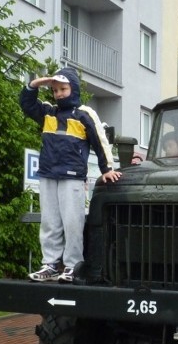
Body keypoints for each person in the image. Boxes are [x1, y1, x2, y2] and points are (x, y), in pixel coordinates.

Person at [20, 67, 122, 282]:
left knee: (72, 222)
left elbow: (99, 141)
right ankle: (50, 265)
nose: (58, 94)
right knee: (50, 223)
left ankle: (72, 265)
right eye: (55, 90)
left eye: (63, 89)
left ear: (73, 88)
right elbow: (27, 105)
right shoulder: (48, 112)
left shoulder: (84, 113)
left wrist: (107, 170)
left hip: (72, 176)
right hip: (48, 175)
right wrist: (34, 85)